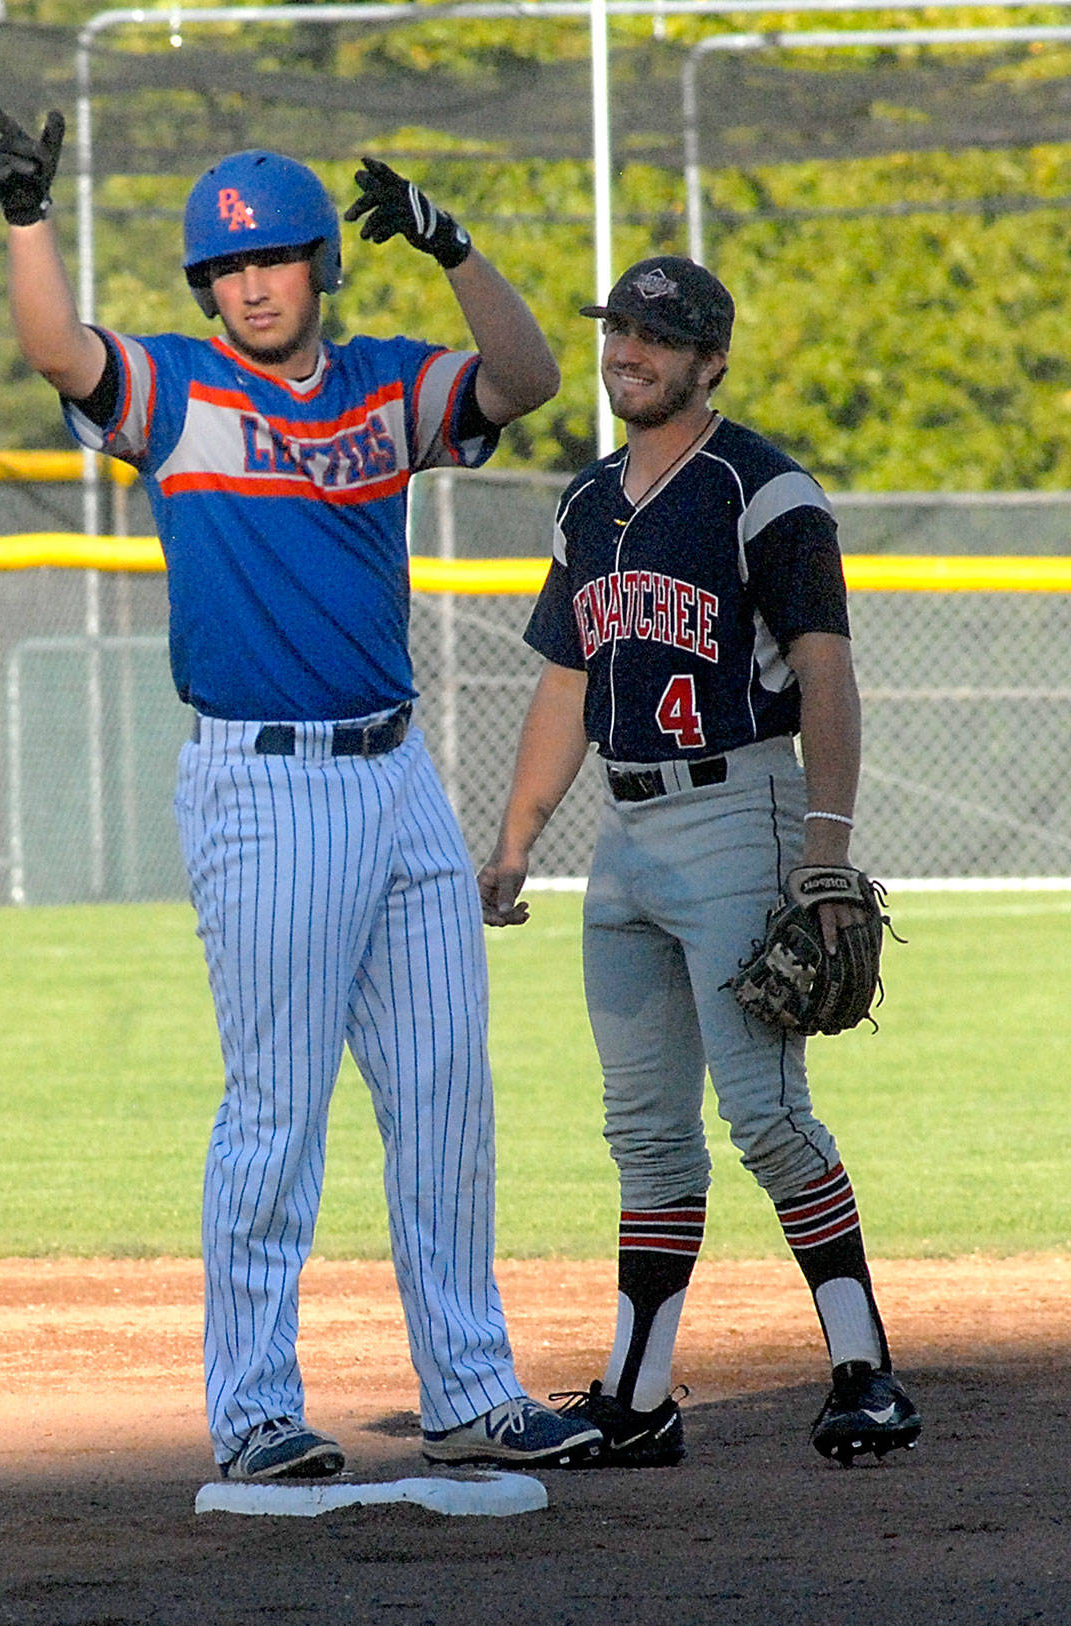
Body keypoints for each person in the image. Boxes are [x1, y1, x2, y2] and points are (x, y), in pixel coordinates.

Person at [0, 108, 603, 1482]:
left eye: (271, 262)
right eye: (224, 269)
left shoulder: (383, 386)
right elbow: (55, 348)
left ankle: (472, 1384)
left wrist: (453, 245)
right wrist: (29, 219)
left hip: (400, 780)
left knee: (446, 1093)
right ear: (205, 288)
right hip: (262, 785)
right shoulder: (184, 392)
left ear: (323, 265)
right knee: (277, 1108)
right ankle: (258, 1407)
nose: (247, 285)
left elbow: (531, 376)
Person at [477, 254, 922, 1469]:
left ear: (709, 361)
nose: (627, 349)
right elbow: (567, 678)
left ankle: (862, 1370)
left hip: (739, 814)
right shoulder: (584, 502)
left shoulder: (762, 489)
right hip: (620, 841)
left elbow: (823, 669)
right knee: (646, 1135)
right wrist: (516, 837)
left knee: (768, 1115)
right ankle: (638, 1395)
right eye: (617, 328)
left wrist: (823, 847)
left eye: (656, 336)